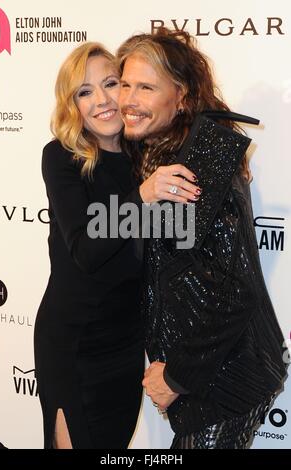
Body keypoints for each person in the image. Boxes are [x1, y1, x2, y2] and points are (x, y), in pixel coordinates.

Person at [116, 28, 288, 449]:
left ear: (183, 97)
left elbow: (234, 289)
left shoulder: (200, 165)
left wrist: (176, 376)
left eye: (146, 87)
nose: (129, 100)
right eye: (124, 84)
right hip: (206, 373)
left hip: (224, 379)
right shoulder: (154, 153)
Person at [34, 41, 198, 449]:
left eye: (112, 84)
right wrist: (142, 196)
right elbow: (87, 249)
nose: (105, 100)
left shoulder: (143, 154)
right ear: (72, 105)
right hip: (74, 344)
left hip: (126, 346)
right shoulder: (61, 158)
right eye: (85, 92)